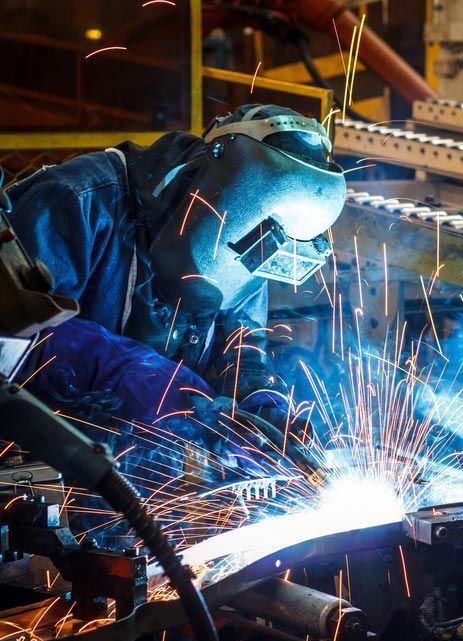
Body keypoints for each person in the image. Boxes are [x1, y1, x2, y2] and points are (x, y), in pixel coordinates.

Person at [6, 104, 346, 490]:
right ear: (218, 192)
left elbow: (241, 345)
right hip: (34, 475)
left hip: (134, 480)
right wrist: (135, 377)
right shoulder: (74, 202)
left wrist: (265, 408)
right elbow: (13, 336)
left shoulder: (251, 244)